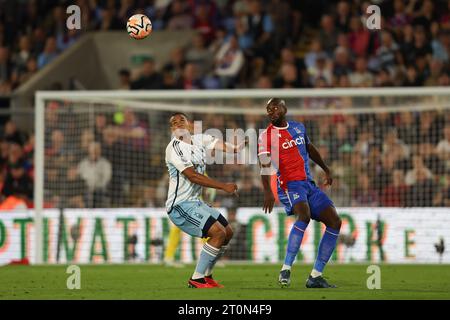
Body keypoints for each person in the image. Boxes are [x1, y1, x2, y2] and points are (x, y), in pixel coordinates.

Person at [258, 98, 341, 289]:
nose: (272, 111)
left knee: (335, 221)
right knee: (304, 215)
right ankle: (285, 269)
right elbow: (263, 165)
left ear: (285, 108)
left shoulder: (298, 127)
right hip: (289, 185)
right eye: (268, 109)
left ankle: (315, 276)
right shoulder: (265, 136)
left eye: (275, 107)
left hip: (308, 184)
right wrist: (268, 191)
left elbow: (310, 149)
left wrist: (326, 169)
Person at [165, 112, 244, 288]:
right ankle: (196, 278)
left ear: (189, 125)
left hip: (195, 202)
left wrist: (236, 148)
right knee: (217, 233)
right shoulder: (174, 148)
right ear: (172, 129)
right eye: (174, 123)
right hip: (179, 205)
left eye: (181, 120)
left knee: (227, 232)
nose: (178, 123)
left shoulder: (199, 139)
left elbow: (218, 144)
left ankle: (207, 276)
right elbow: (193, 176)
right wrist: (223, 186)